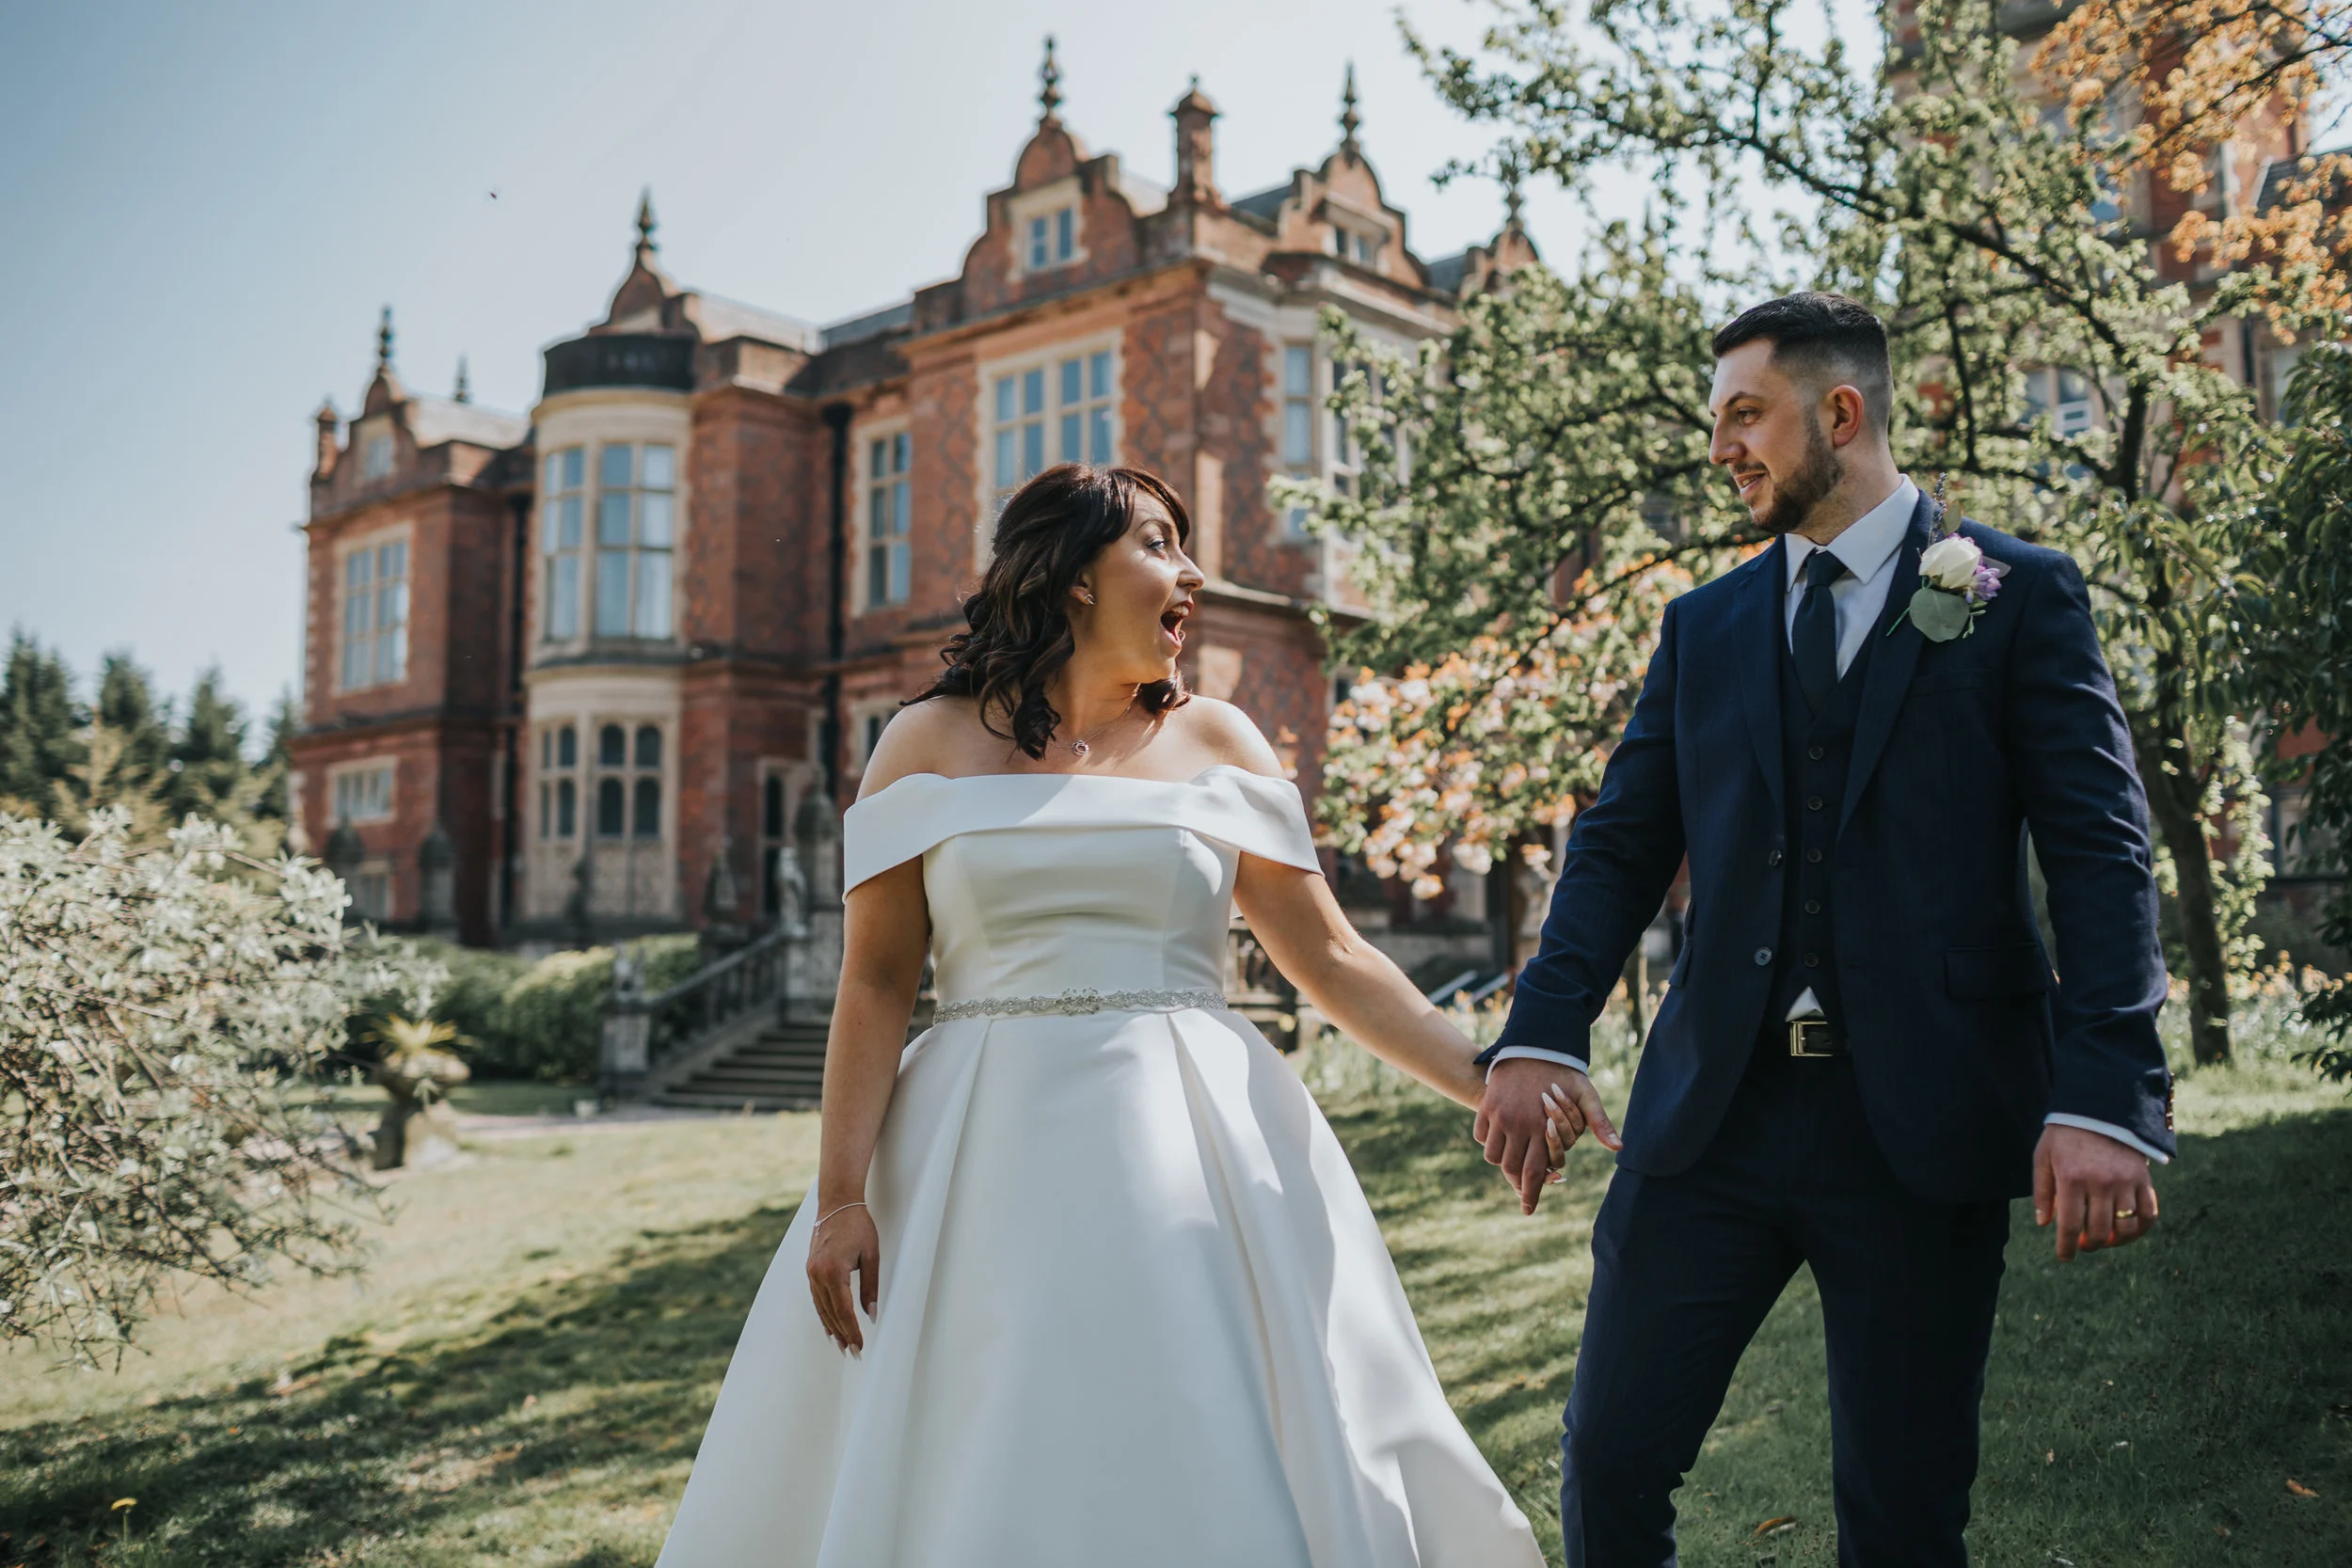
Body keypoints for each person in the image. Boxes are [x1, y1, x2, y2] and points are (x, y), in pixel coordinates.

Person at [654, 464, 1545, 1567]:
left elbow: (1332, 953)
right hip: (975, 1148)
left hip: (1197, 1136)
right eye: (1163, 543)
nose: (1194, 572)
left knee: (1204, 1399)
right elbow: (877, 981)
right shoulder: (922, 742)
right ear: (1075, 576)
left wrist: (1488, 1071)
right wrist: (841, 1197)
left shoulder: (1221, 741)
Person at [1474, 292, 2176, 1565]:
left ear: (1840, 413)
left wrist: (2106, 1094)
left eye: (1747, 414)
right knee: (1608, 1456)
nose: (1722, 447)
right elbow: (1623, 842)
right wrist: (1541, 1027)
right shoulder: (1706, 625)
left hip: (1922, 1120)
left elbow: (2101, 851)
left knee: (1903, 1517)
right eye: (1716, 421)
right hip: (1711, 1122)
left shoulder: (2019, 596)